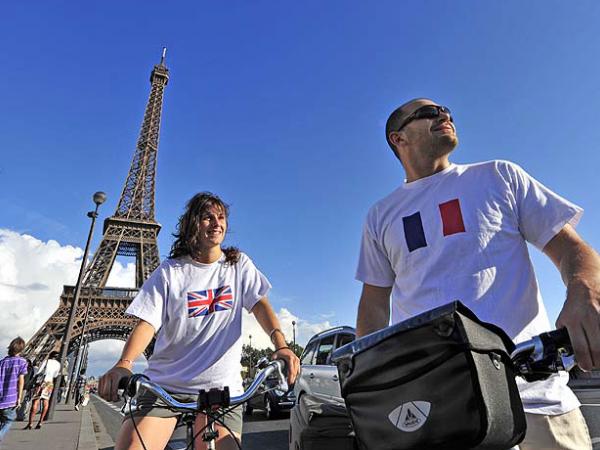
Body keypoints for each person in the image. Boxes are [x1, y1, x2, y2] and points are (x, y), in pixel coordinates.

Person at [355, 98, 600, 450]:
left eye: (446, 111)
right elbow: (374, 305)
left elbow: (571, 249)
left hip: (536, 400)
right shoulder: (380, 216)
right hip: (442, 412)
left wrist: (585, 289)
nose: (443, 115)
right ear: (398, 138)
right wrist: (374, 381)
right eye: (428, 113)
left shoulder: (499, 176)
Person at [99, 192, 300, 450]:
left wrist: (281, 345)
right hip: (166, 386)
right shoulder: (171, 271)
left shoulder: (238, 265)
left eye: (221, 217)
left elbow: (260, 305)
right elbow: (147, 322)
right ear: (193, 224)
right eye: (207, 217)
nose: (216, 223)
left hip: (221, 388)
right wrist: (124, 364)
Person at [0, 337, 28, 441]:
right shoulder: (22, 362)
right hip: (10, 399)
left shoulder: (2, 362)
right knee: (8, 421)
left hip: (0, 398)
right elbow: (21, 381)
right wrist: (19, 398)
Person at [25, 351, 61, 430]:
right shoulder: (58, 364)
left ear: (50, 355)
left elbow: (39, 372)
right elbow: (55, 375)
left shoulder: (46, 361)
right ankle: (40, 422)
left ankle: (30, 423)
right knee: (46, 402)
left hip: (41, 383)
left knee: (35, 402)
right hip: (49, 383)